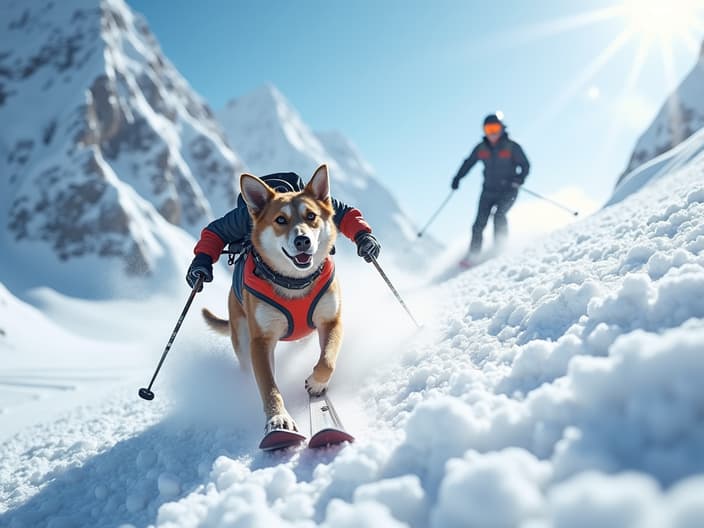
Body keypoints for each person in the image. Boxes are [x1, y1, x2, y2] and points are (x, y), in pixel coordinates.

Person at [185, 171, 381, 289]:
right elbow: (215, 233)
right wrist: (202, 260)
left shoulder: (311, 203)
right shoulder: (253, 214)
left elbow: (345, 215)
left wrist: (363, 236)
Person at [451, 114, 530, 267]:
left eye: (495, 128)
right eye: (488, 129)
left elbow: (525, 165)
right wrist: (458, 177)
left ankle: (499, 250)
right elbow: (468, 163)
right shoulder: (481, 148)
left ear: (502, 128)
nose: (492, 133)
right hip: (488, 190)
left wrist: (518, 179)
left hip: (508, 190)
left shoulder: (511, 146)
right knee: (479, 223)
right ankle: (472, 256)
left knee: (499, 215)